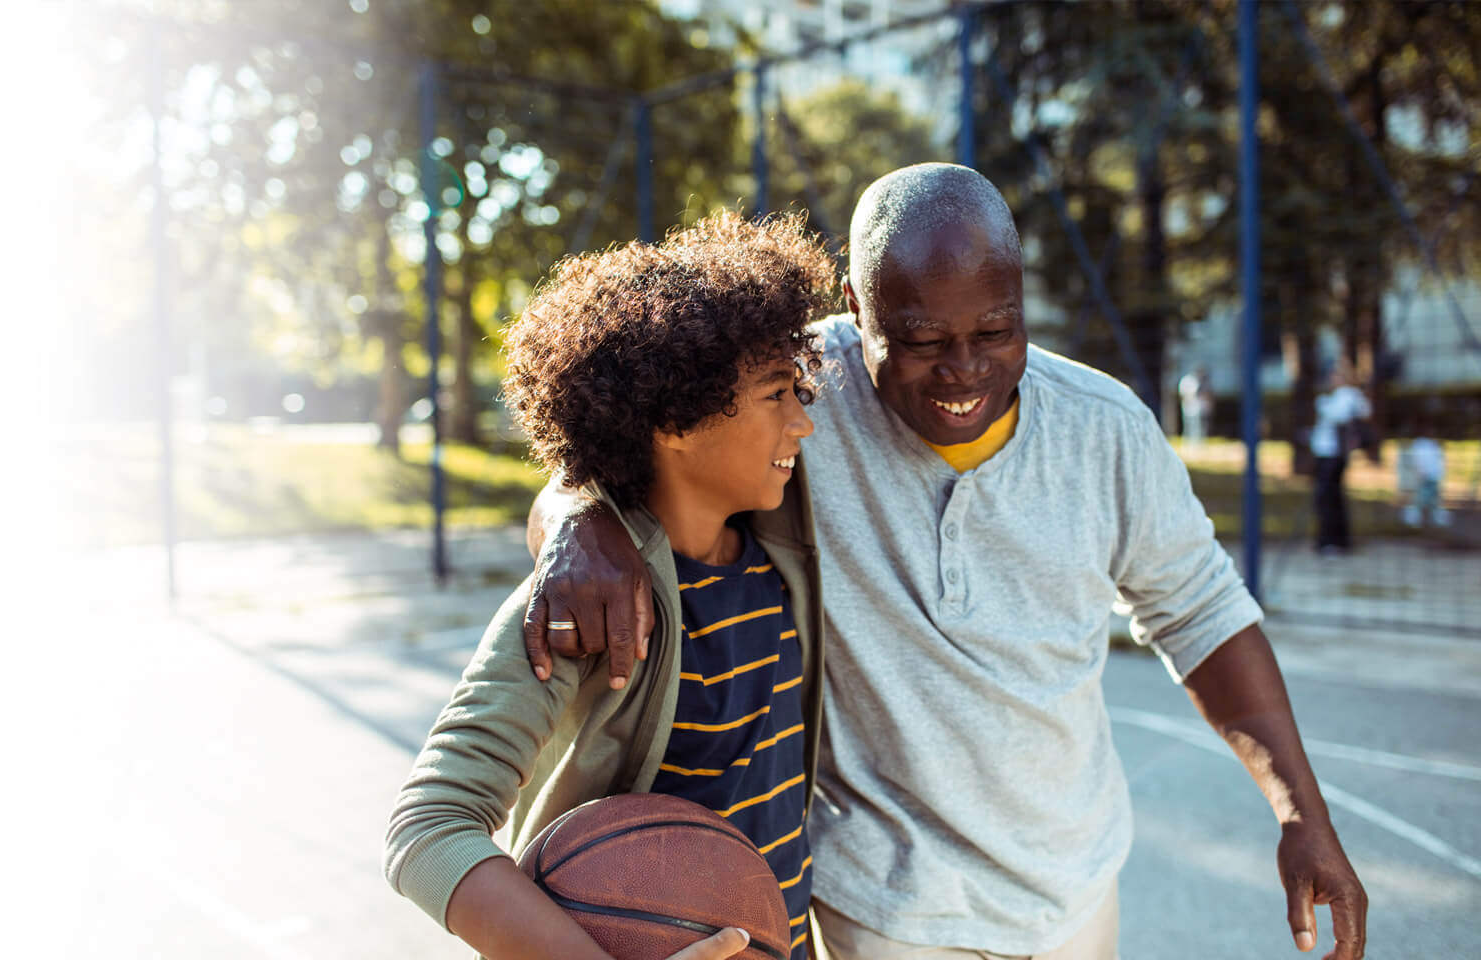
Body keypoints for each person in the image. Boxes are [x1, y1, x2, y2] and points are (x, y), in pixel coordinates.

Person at [524, 164, 1366, 960]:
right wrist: (581, 519)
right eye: (923, 341)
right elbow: (620, 452)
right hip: (888, 907)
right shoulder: (794, 400)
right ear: (857, 309)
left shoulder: (1106, 431)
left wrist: (1301, 814)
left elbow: (1203, 614)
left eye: (997, 330)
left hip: (1073, 890)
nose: (965, 371)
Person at [383, 211, 841, 960]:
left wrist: (571, 506)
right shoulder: (586, 606)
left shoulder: (780, 543)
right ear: (674, 420)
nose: (805, 425)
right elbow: (427, 827)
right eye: (774, 396)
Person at [1310, 369, 1372, 553]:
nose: (1332, 379)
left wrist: (1323, 405)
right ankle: (1335, 540)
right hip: (1327, 453)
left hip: (1333, 454)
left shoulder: (1347, 395)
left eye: (1335, 375)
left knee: (1328, 498)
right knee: (1329, 498)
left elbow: (1341, 416)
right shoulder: (1342, 396)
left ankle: (1332, 541)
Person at [1399, 429, 1450, 528]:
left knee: (1433, 500)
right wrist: (1420, 473)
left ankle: (1433, 519)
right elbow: (1417, 461)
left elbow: (1438, 462)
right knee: (1419, 500)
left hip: (1432, 476)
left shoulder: (1431, 445)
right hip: (1424, 477)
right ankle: (1414, 520)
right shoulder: (1421, 445)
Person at [1178, 365, 1211, 445]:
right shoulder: (1189, 381)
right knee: (1189, 425)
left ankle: (1197, 442)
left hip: (1196, 407)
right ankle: (1189, 442)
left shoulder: (1199, 381)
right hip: (1189, 407)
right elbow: (1183, 394)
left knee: (1197, 426)